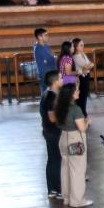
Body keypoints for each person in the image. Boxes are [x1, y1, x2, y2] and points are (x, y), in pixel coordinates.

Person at [55, 83, 91, 206]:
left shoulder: (59, 107)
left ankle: (67, 197)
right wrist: (87, 122)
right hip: (75, 139)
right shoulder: (76, 109)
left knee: (65, 169)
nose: (79, 92)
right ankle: (77, 200)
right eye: (77, 91)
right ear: (71, 94)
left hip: (63, 138)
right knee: (78, 170)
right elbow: (82, 128)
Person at [39, 70, 62, 199]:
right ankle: (59, 189)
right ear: (55, 82)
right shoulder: (51, 97)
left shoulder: (47, 94)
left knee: (52, 159)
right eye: (60, 77)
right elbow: (52, 118)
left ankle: (52, 189)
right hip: (53, 132)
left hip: (49, 131)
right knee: (57, 160)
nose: (62, 79)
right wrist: (65, 121)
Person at [70, 38, 93, 116]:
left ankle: (83, 113)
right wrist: (88, 66)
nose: (83, 46)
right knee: (82, 96)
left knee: (84, 96)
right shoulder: (76, 56)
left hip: (86, 76)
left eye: (83, 45)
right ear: (76, 47)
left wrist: (88, 66)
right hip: (81, 78)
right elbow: (87, 66)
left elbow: (91, 64)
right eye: (81, 45)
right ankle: (82, 114)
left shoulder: (83, 54)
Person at [33, 28, 57, 94]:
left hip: (51, 72)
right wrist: (55, 58)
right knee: (46, 95)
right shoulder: (38, 48)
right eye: (45, 35)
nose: (47, 37)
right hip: (45, 75)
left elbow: (53, 55)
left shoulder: (46, 46)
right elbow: (49, 60)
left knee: (51, 94)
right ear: (39, 37)